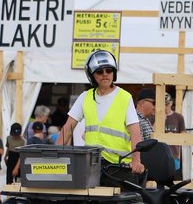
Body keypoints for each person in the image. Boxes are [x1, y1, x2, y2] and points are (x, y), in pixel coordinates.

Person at [60, 51, 145, 186]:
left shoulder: (124, 97)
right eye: (99, 71)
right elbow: (67, 129)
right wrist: (54, 158)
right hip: (91, 165)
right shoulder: (85, 97)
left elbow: (135, 132)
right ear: (92, 75)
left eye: (109, 70)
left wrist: (136, 160)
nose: (105, 74)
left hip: (119, 166)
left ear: (114, 73)